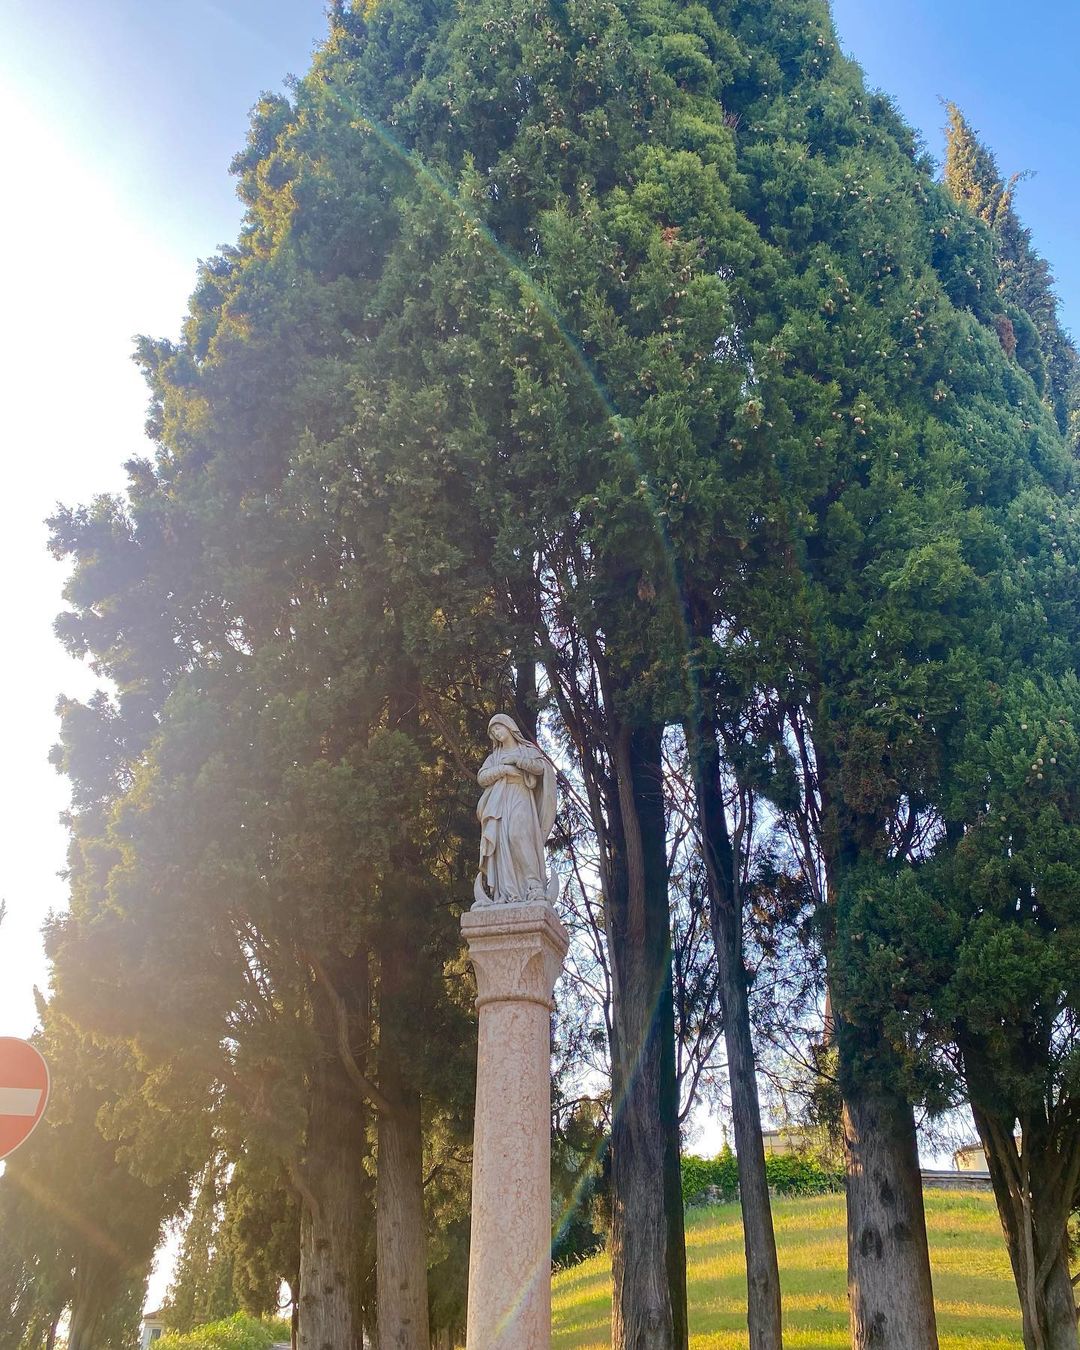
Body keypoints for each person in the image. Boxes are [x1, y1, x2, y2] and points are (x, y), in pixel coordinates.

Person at [475, 713, 557, 906]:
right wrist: (502, 770)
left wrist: (516, 760)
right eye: (493, 731)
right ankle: (508, 892)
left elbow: (540, 768)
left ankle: (534, 885)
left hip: (520, 795)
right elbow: (482, 777)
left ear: (509, 727)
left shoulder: (525, 749)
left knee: (518, 835)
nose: (497, 732)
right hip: (500, 800)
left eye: (499, 727)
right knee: (502, 843)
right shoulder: (494, 757)